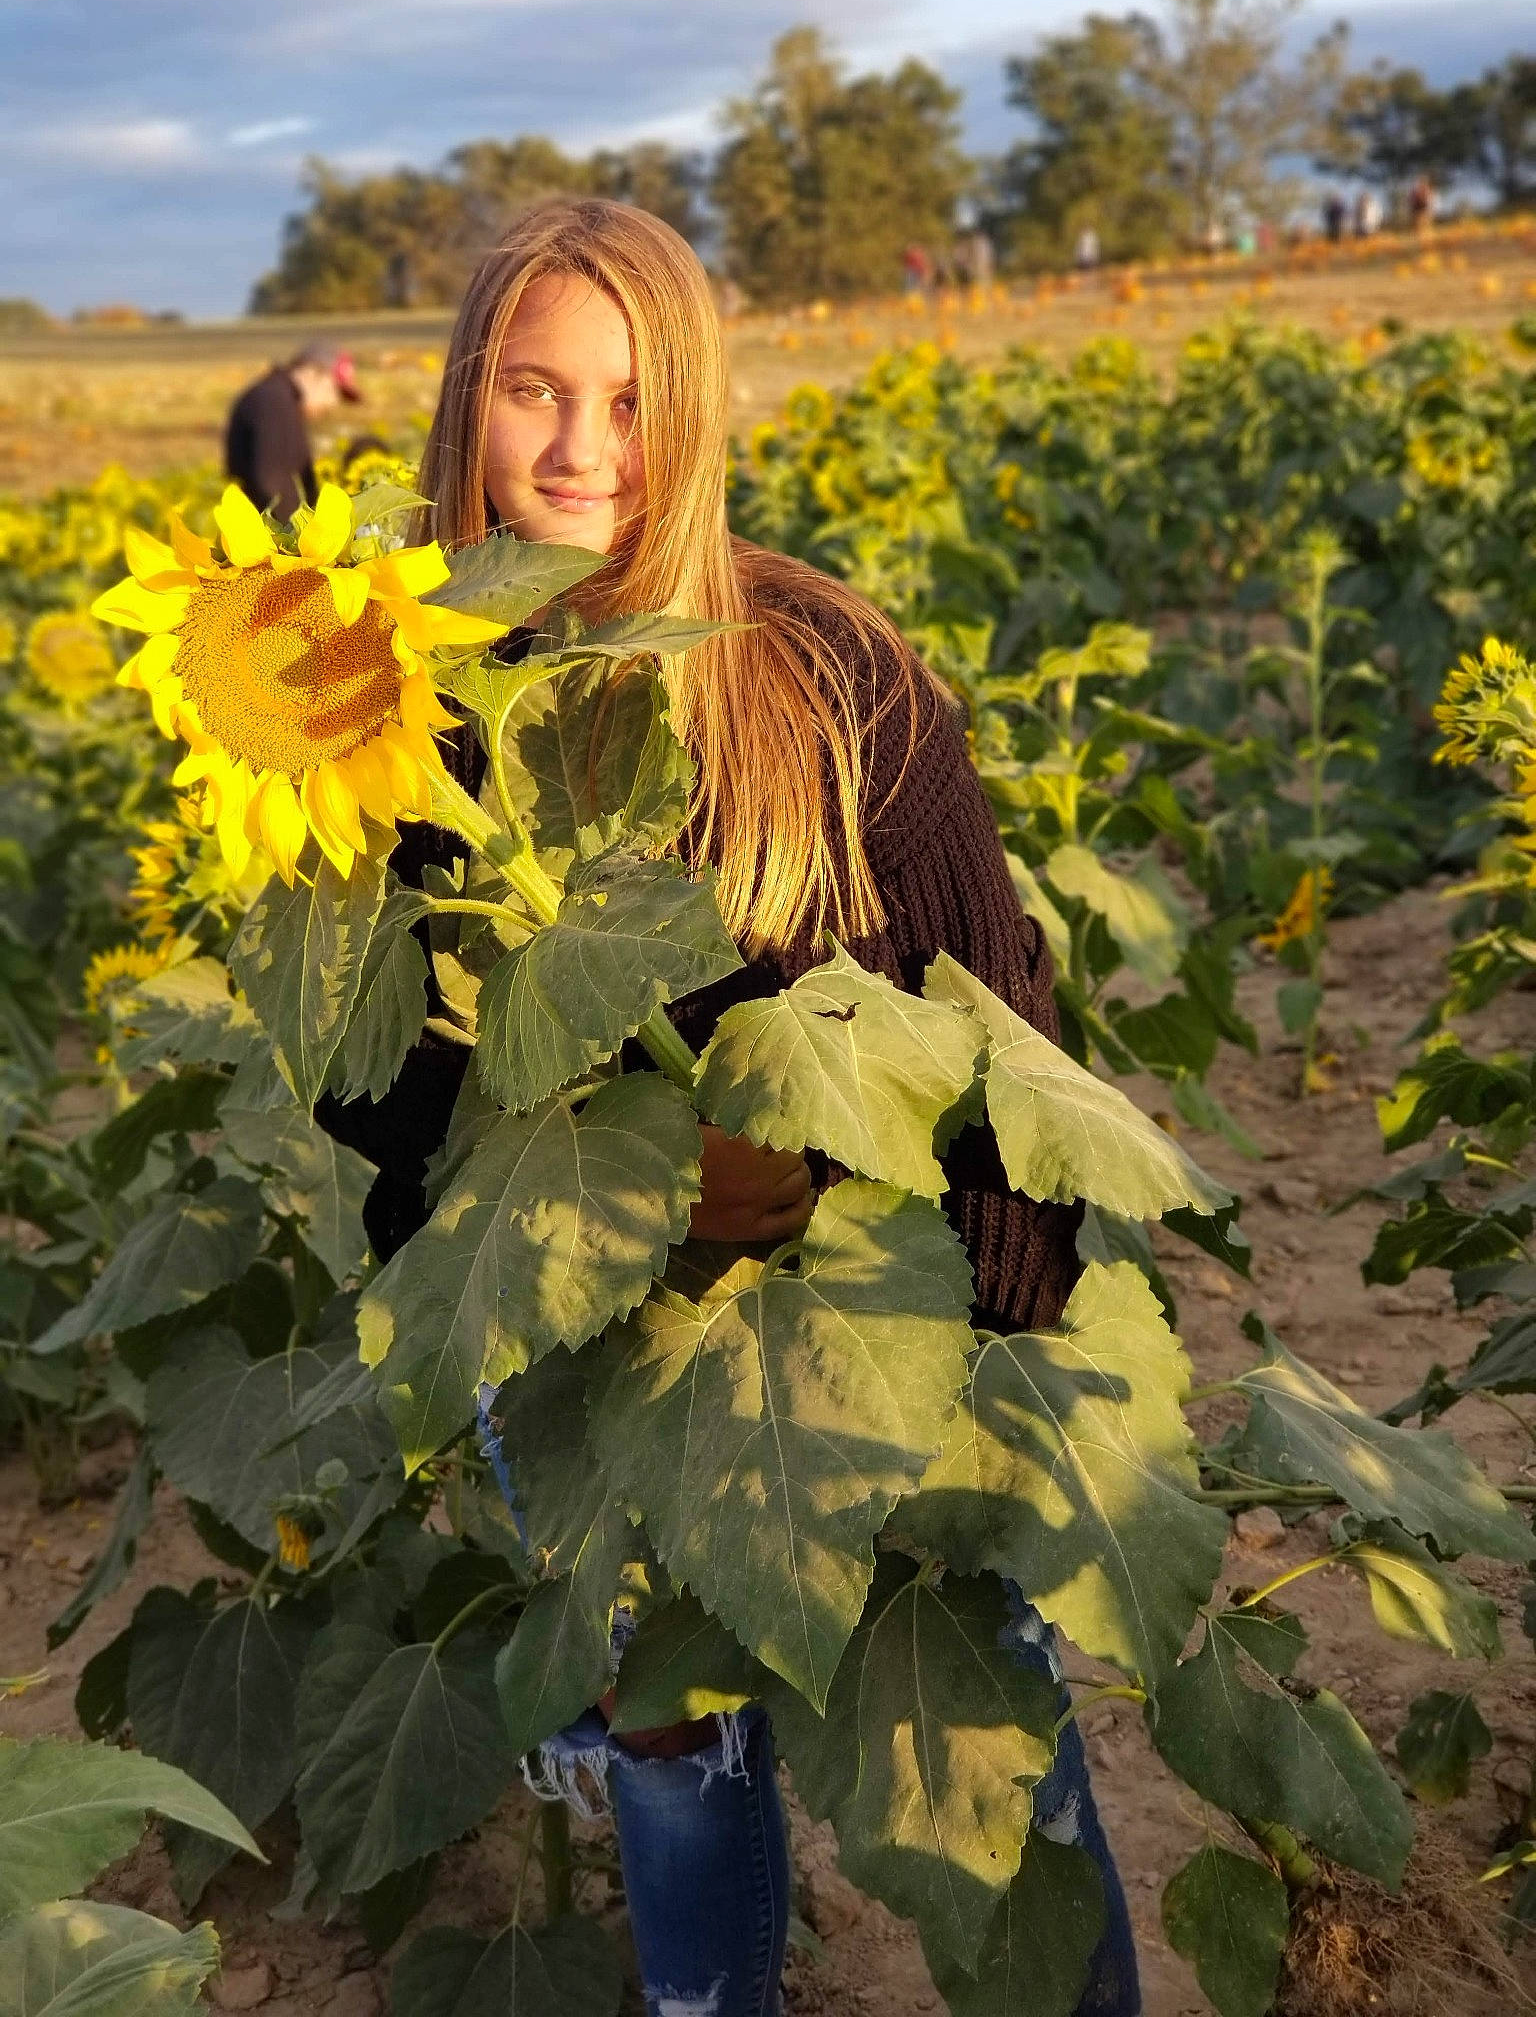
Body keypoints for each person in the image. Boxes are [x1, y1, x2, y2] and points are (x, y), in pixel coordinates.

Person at [317, 198, 1140, 2017]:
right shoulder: (398, 709)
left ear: (694, 413)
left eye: (628, 396)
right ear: (465, 402)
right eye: (534, 389)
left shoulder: (825, 670)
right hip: (595, 1344)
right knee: (673, 1746)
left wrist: (1001, 1332)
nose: (581, 447)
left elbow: (996, 1005)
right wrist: (622, 1187)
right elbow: (377, 1104)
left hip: (865, 1322)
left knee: (981, 1710)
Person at [223, 341, 361, 521]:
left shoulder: (277, 397)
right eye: (334, 390)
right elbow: (274, 482)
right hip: (269, 540)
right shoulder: (274, 401)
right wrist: (295, 538)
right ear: (313, 373)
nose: (333, 404)